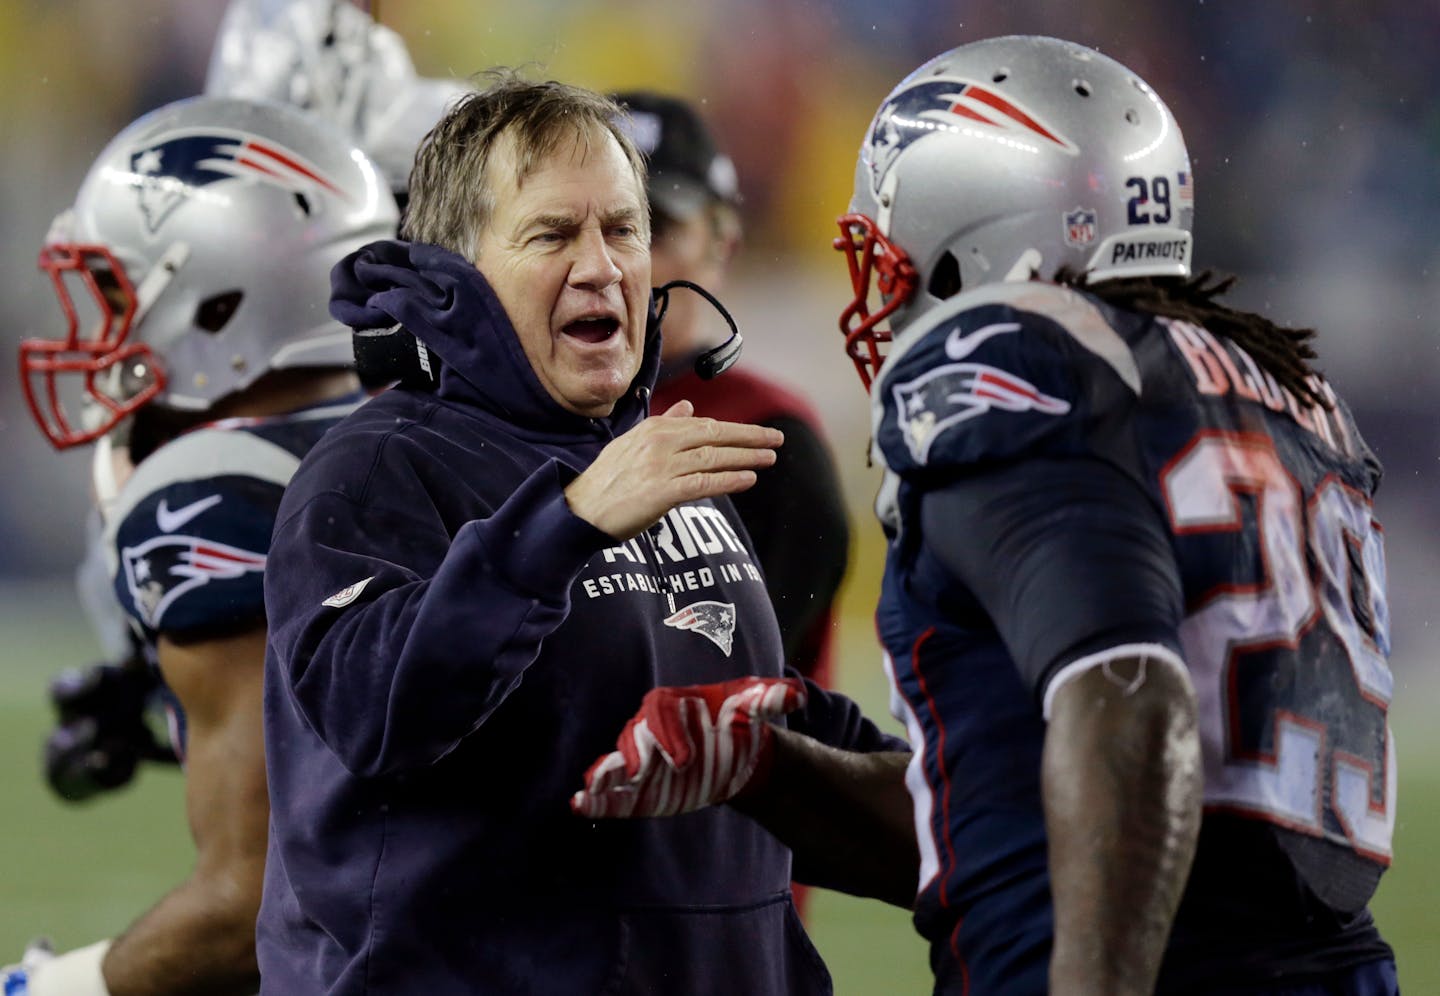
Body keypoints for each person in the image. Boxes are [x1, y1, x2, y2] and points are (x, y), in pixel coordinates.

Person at [579, 34, 1399, 996]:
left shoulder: (1012, 360)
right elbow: (1012, 829)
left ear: (978, 250)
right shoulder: (1281, 393)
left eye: (893, 259)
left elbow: (1129, 702)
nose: (882, 294)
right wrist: (769, 771)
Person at [256, 70, 906, 995]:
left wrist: (924, 793)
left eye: (623, 229)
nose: (601, 266)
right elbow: (374, 709)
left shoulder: (658, 465)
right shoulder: (375, 468)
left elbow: (751, 702)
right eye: (553, 234)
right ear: (455, 268)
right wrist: (564, 525)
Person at [4, 94, 399, 996]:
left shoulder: (212, 494)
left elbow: (252, 907)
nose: (97, 327)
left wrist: (51, 988)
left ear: (222, 298)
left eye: (114, 288)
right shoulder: (428, 424)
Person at [613, 90, 850, 686]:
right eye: (607, 223)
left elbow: (716, 695)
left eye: (653, 227)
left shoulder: (766, 439)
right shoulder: (504, 416)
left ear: (723, 246)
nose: (617, 260)